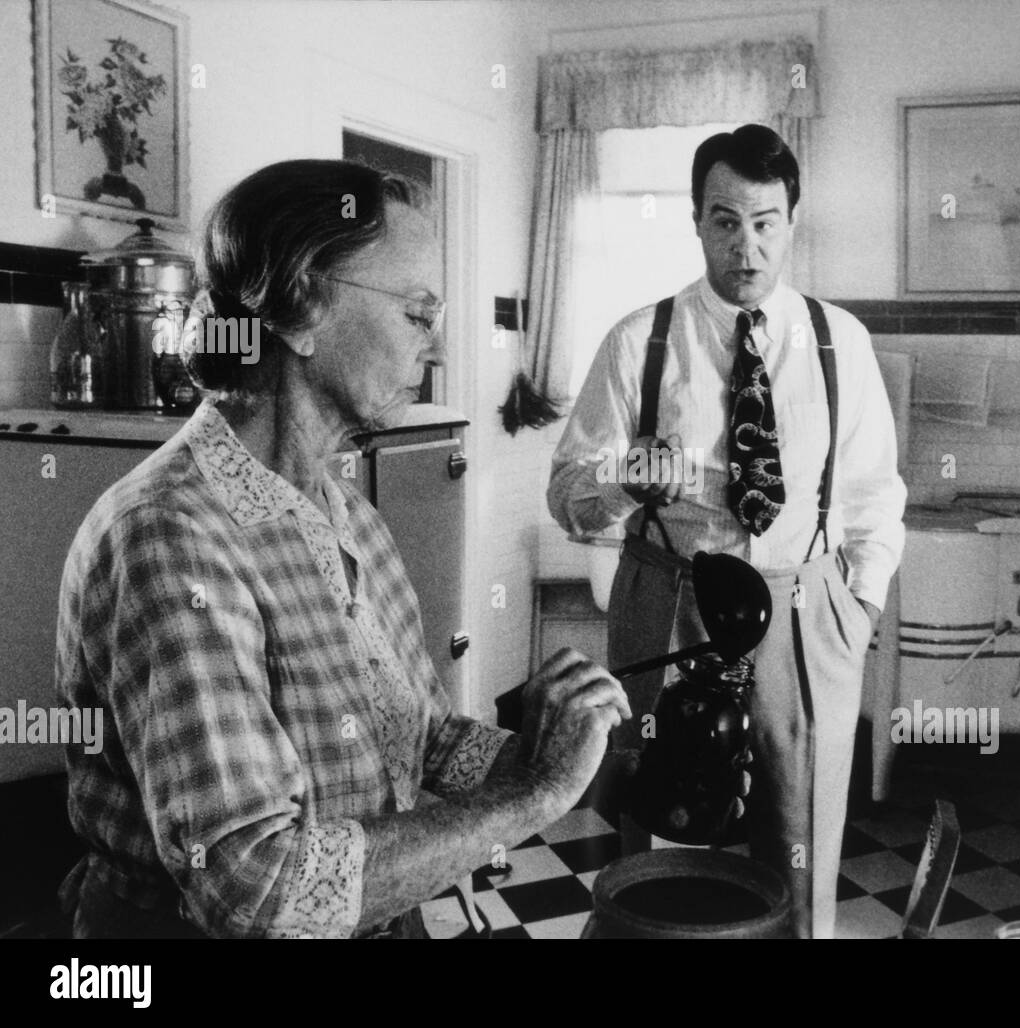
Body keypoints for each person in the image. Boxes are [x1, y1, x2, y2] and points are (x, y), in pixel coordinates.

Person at [55, 159, 629, 939]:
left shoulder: (349, 516)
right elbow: (253, 894)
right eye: (418, 313)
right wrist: (532, 797)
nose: (435, 350)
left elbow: (422, 735)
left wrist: (553, 751)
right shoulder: (169, 539)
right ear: (299, 309)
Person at [548, 124, 906, 938]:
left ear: (792, 222)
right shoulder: (638, 341)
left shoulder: (837, 342)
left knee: (799, 828)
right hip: (670, 599)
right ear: (698, 219)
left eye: (765, 221)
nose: (746, 246)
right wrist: (621, 478)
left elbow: (875, 495)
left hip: (806, 611)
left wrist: (861, 611)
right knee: (662, 820)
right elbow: (567, 495)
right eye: (724, 220)